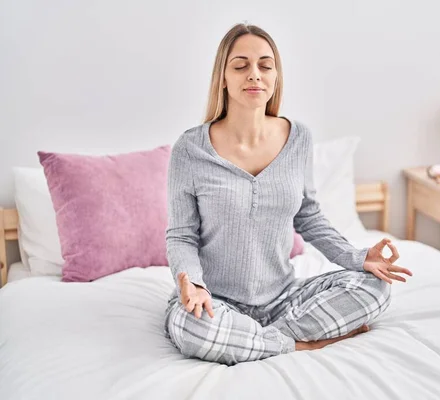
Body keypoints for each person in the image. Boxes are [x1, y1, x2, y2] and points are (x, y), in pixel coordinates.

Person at [163, 23, 412, 366]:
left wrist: (357, 258)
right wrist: (194, 284)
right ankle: (294, 345)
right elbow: (181, 235)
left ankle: (252, 339)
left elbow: (308, 216)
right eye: (240, 66)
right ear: (222, 76)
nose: (254, 75)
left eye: (265, 66)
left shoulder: (298, 139)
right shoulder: (190, 149)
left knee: (376, 288)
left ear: (276, 76)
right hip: (215, 299)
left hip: (284, 298)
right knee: (190, 327)